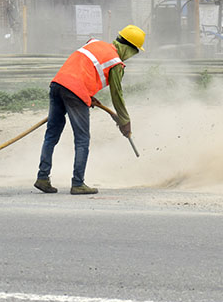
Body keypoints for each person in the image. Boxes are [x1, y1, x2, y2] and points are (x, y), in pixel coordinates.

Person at [35, 25, 145, 195]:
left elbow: (83, 68)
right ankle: (78, 183)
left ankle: (42, 177)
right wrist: (124, 121)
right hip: (75, 92)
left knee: (51, 134)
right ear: (130, 49)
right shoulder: (116, 62)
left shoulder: (94, 43)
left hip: (58, 84)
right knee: (82, 140)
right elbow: (117, 95)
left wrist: (87, 95)